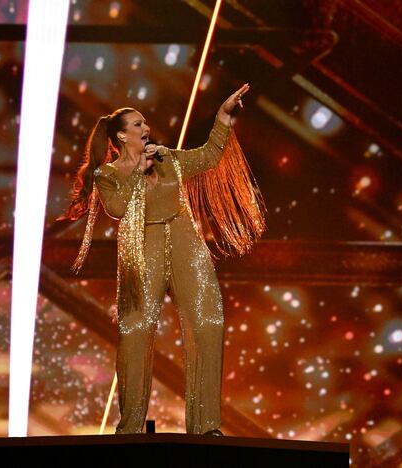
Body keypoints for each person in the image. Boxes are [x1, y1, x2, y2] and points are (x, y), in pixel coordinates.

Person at [61, 84, 265, 435]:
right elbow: (116, 208)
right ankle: (130, 428)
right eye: (137, 124)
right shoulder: (108, 175)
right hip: (143, 248)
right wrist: (135, 173)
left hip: (185, 240)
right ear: (122, 136)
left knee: (207, 322)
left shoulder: (166, 158)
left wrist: (223, 119)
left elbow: (207, 157)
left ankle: (205, 426)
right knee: (136, 331)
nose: (145, 128)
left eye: (144, 123)